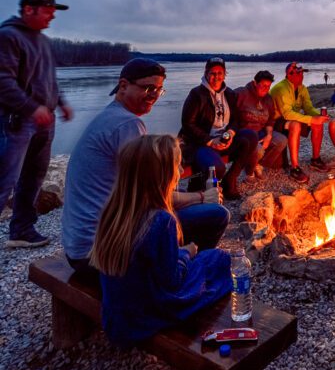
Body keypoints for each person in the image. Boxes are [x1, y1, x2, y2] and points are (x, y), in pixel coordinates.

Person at [62, 58, 228, 279]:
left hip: (78, 248)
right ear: (123, 86)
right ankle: (177, 277)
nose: (154, 96)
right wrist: (201, 196)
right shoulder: (128, 125)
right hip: (101, 253)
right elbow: (155, 197)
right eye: (148, 88)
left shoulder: (111, 116)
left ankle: (175, 261)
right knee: (216, 215)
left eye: (159, 90)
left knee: (170, 219)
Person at [91, 134, 232, 347]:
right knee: (218, 259)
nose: (179, 173)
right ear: (161, 176)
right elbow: (172, 281)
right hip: (145, 316)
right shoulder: (161, 221)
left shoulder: (113, 212)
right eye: (176, 167)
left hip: (118, 316)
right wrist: (186, 253)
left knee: (206, 259)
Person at [0, 0, 74, 248]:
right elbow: (3, 81)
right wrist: (31, 108)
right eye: (48, 10)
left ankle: (21, 229)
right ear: (29, 10)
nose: (52, 16)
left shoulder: (41, 40)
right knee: (5, 179)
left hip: (45, 121)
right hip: (17, 121)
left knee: (33, 177)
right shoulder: (8, 36)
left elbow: (48, 81)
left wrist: (61, 103)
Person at [179, 57, 258, 200]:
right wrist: (210, 141)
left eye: (220, 73)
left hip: (223, 138)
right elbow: (187, 124)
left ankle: (230, 179)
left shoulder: (229, 93)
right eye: (212, 73)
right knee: (217, 168)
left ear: (225, 74)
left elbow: (236, 119)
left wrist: (230, 133)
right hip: (201, 144)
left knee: (251, 136)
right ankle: (202, 191)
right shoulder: (197, 94)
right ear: (206, 73)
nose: (216, 77)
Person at [270, 63, 330, 183]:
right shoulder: (281, 88)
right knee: (296, 125)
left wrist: (318, 116)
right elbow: (287, 114)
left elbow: (308, 107)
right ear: (289, 75)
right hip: (274, 121)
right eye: (298, 73)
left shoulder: (302, 88)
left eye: (302, 72)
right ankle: (295, 168)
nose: (301, 75)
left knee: (318, 123)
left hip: (290, 117)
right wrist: (311, 119)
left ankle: (315, 159)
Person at [233, 70, 288, 178]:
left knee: (282, 140)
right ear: (255, 83)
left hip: (261, 132)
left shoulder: (268, 98)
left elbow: (270, 119)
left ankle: (257, 164)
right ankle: (249, 173)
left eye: (268, 86)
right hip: (244, 134)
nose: (266, 89)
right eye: (263, 85)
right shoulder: (241, 93)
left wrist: (268, 135)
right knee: (258, 149)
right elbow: (226, 109)